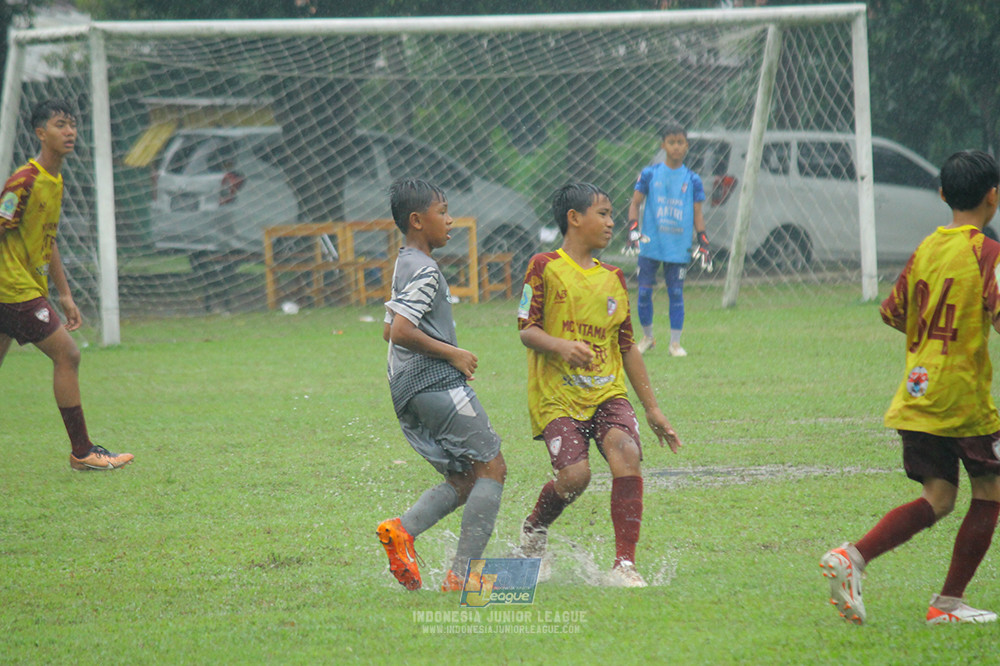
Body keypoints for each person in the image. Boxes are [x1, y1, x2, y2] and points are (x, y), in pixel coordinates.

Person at [820, 150, 1000, 625]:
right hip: (961, 398)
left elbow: (893, 310)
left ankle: (853, 557)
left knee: (939, 497)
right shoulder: (987, 252)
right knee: (991, 490)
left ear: (943, 195)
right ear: (993, 197)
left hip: (918, 392)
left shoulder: (926, 249)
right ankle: (948, 604)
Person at [516, 182, 682, 587]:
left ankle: (624, 565)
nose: (612, 223)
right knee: (575, 478)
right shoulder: (544, 266)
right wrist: (561, 346)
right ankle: (533, 530)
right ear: (574, 219)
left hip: (608, 391)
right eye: (603, 214)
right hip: (558, 397)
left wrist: (653, 409)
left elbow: (627, 347)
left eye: (611, 215)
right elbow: (526, 329)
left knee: (626, 451)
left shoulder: (614, 278)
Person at [376, 178, 506, 592]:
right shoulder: (427, 270)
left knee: (467, 477)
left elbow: (386, 329)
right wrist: (453, 353)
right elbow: (399, 330)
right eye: (443, 212)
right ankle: (464, 576)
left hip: (407, 387)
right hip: (435, 383)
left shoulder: (403, 263)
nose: (451, 220)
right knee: (493, 468)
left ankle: (403, 531)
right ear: (417, 220)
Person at [0, 99, 133, 471]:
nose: (70, 131)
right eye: (60, 125)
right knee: (68, 355)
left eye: (72, 125)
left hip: (26, 289)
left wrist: (64, 292)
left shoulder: (54, 179)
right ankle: (82, 451)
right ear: (41, 133)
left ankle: (82, 452)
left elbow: (49, 237)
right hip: (12, 291)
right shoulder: (23, 180)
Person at [626, 124, 708, 357]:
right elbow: (635, 203)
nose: (676, 147)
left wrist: (702, 238)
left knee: (675, 293)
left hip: (678, 247)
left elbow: (698, 212)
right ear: (663, 145)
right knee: (643, 293)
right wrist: (633, 227)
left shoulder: (692, 179)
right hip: (651, 245)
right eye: (671, 142)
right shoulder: (650, 174)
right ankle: (648, 337)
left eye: (680, 142)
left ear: (687, 146)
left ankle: (675, 343)